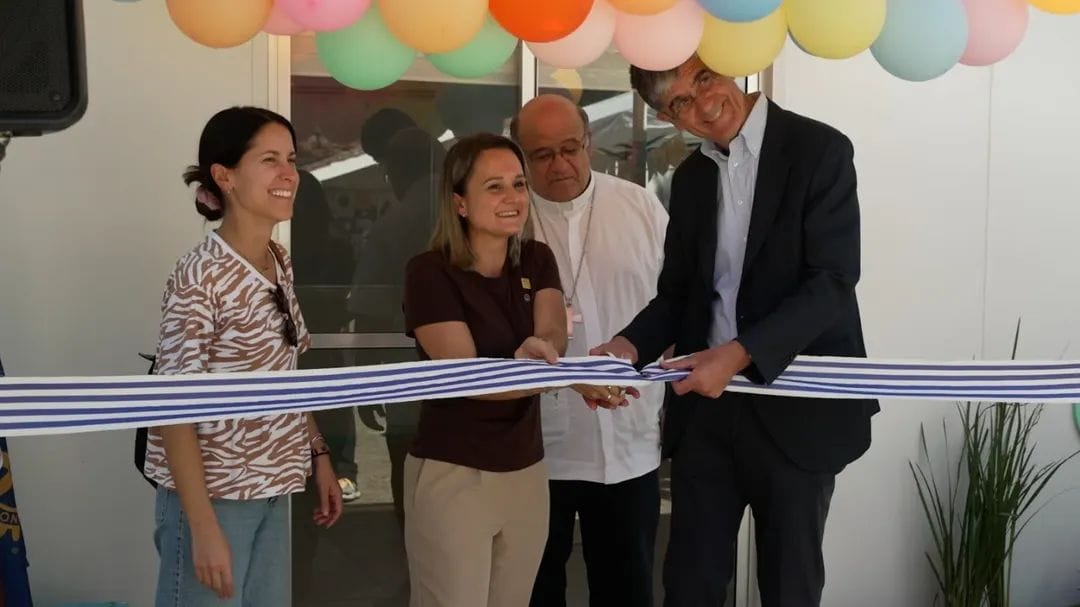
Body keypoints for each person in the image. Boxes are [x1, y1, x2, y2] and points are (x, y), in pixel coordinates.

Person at [591, 55, 880, 607]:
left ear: (729, 66)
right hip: (708, 414)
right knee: (688, 586)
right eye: (680, 102)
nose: (703, 105)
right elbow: (678, 296)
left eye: (704, 79)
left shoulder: (819, 149)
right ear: (668, 118)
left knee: (789, 589)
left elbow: (832, 281)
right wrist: (624, 347)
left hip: (797, 412)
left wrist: (739, 353)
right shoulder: (691, 179)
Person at [401, 133, 629, 607]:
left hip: (527, 470)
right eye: (494, 187)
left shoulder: (536, 258)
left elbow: (552, 335)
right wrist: (566, 376)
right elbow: (466, 377)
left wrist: (548, 361)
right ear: (460, 203)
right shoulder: (429, 272)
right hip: (455, 471)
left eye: (519, 184)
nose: (513, 198)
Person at [143, 106, 343, 607]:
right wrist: (203, 527)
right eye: (269, 159)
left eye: (291, 159)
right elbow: (173, 409)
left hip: (273, 488)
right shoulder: (199, 276)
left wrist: (318, 454)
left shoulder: (278, 261)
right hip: (216, 499)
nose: (288, 174)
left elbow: (284, 372)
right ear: (225, 176)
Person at [509, 95, 668, 607]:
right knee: (535, 592)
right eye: (542, 155)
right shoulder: (509, 223)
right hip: (536, 451)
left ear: (589, 143)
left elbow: (676, 302)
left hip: (629, 443)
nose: (560, 164)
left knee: (627, 591)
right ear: (521, 157)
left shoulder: (640, 207)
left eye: (570, 149)